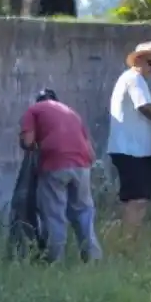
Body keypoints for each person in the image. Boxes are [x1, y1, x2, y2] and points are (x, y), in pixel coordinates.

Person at [19, 88, 102, 264]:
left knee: (54, 215)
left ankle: (55, 262)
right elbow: (91, 153)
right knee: (83, 212)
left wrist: (32, 144)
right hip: (81, 165)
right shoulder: (72, 113)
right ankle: (93, 259)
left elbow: (28, 141)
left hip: (54, 164)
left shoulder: (33, 110)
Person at [107, 42, 151, 232]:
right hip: (131, 150)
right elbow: (144, 106)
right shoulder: (135, 78)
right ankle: (129, 240)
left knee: (134, 199)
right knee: (138, 200)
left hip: (131, 149)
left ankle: (127, 238)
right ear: (139, 60)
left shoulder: (131, 79)